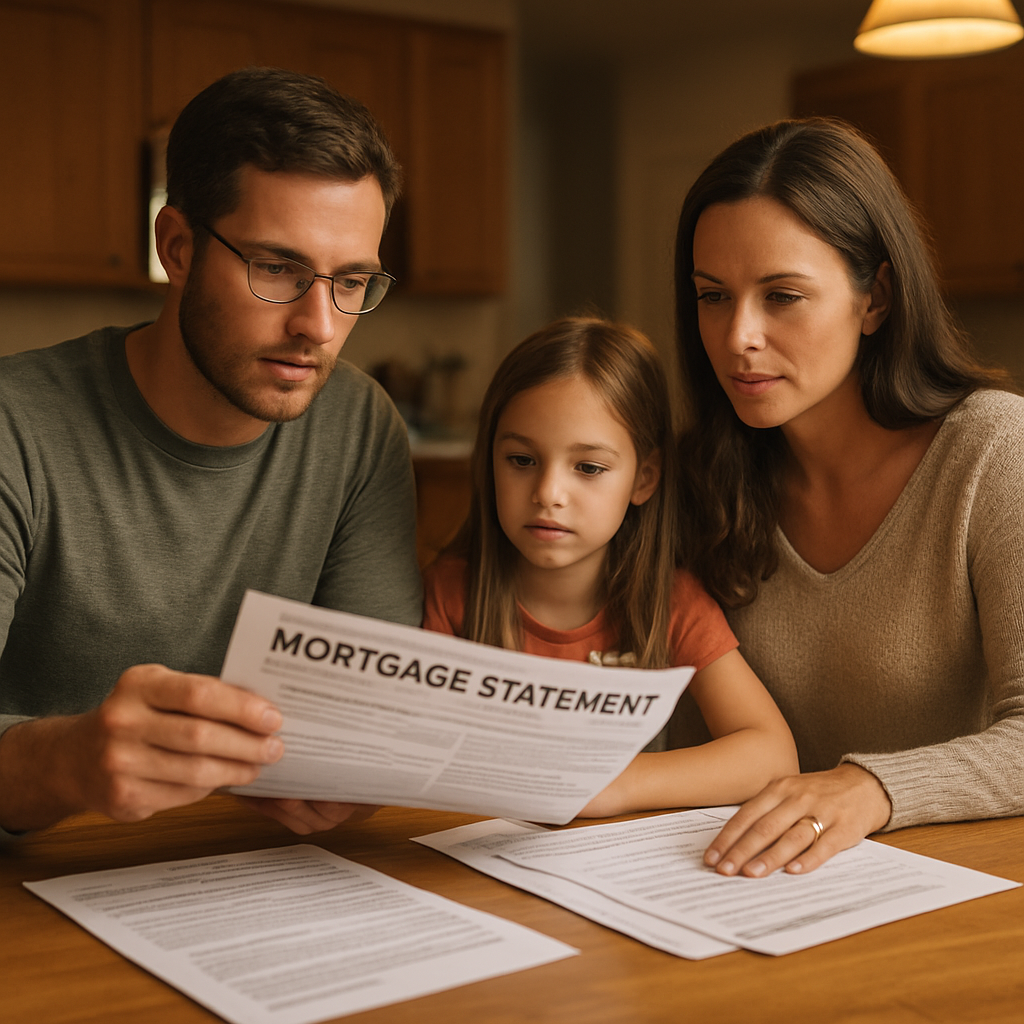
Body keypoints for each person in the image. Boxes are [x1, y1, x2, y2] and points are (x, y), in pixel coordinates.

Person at [0, 68, 422, 839]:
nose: (318, 326)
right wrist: (64, 762)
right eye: (278, 269)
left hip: (253, 870)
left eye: (352, 281)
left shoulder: (359, 424)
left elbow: (369, 713)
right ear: (179, 246)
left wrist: (361, 770)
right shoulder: (14, 427)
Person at [672, 116, 1024, 877]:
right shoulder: (692, 479)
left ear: (877, 299)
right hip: (733, 890)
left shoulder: (994, 451)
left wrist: (872, 788)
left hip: (947, 898)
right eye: (712, 296)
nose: (738, 337)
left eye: (783, 296)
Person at [423, 317, 797, 814]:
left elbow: (772, 757)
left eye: (588, 468)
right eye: (521, 460)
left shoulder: (672, 603)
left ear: (644, 479)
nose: (548, 494)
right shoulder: (450, 593)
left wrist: (613, 786)